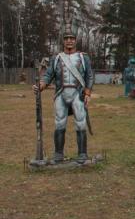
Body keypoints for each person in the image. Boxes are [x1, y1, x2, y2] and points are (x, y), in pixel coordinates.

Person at [32, 28, 93, 164]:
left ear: (75, 41)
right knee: (59, 123)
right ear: (63, 41)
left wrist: (88, 93)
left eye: (72, 38)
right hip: (61, 94)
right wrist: (41, 85)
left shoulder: (84, 57)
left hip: (78, 94)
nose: (69, 41)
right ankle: (58, 154)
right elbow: (48, 75)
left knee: (80, 123)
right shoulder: (57, 58)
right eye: (67, 38)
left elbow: (89, 75)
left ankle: (82, 153)